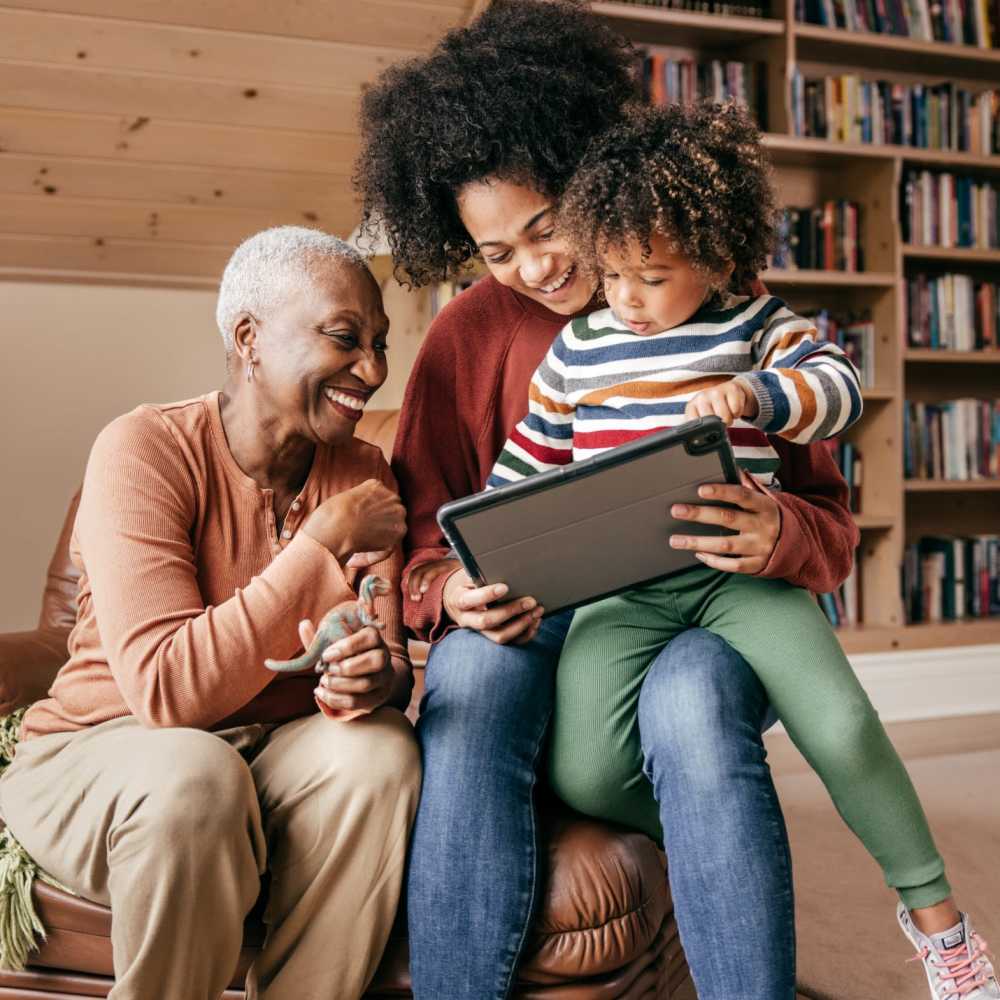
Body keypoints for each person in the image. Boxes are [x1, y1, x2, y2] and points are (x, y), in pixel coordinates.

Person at [355, 4, 860, 998]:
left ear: (587, 178)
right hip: (537, 618)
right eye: (495, 252)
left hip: (700, 607)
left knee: (693, 696)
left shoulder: (709, 294)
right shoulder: (464, 336)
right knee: (473, 682)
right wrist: (449, 594)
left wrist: (775, 531)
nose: (532, 266)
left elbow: (828, 523)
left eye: (543, 227)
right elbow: (423, 536)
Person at [487, 101, 997, 1000]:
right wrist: (486, 554)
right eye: (610, 274)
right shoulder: (574, 352)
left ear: (715, 259)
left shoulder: (756, 322)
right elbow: (522, 471)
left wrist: (758, 395)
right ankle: (725, 833)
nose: (626, 299)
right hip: (623, 592)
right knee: (584, 767)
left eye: (651, 275)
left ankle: (940, 925)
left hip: (739, 580)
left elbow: (839, 388)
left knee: (841, 725)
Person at [0, 227, 421, 1000]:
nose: (373, 369)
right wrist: (320, 545)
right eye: (344, 338)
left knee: (381, 751)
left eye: (380, 343)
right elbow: (167, 693)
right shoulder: (142, 449)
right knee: (196, 774)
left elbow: (390, 664)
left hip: (268, 753)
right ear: (249, 338)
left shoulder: (362, 469)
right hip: (103, 752)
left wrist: (374, 680)